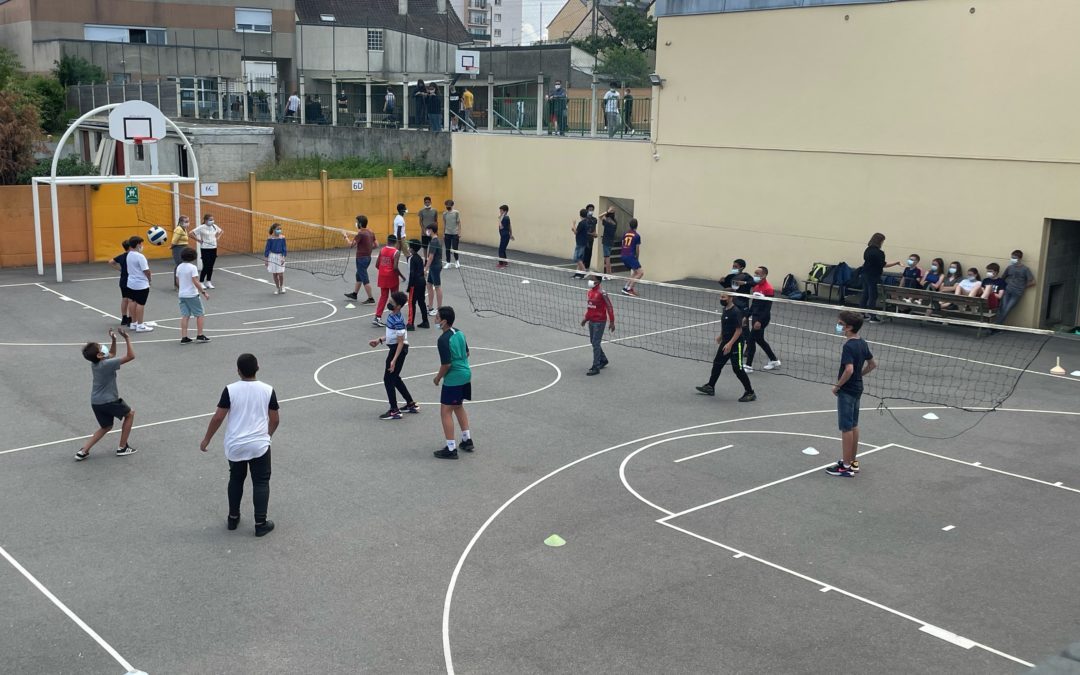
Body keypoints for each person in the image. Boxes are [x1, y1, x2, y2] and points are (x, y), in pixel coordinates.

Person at [199, 353, 279, 537]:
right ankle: (260, 523)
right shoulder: (267, 390)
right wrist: (267, 436)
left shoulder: (230, 390)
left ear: (238, 371)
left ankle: (233, 518)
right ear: (257, 367)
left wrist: (206, 439)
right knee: (261, 481)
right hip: (259, 444)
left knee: (236, 479)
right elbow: (275, 419)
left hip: (236, 445)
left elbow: (218, 417)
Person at [826, 311, 877, 477]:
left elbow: (849, 369)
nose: (839, 326)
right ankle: (852, 461)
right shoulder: (861, 342)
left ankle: (846, 466)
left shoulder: (848, 346)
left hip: (847, 390)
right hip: (858, 388)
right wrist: (859, 376)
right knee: (854, 424)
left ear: (849, 327)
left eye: (841, 323)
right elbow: (872, 364)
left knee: (846, 427)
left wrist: (837, 386)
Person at [76, 328, 137, 460]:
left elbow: (112, 353)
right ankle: (122, 447)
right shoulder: (106, 364)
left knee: (106, 426)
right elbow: (131, 356)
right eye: (100, 347)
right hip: (109, 401)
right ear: (99, 355)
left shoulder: (95, 364)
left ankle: (83, 451)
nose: (102, 347)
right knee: (130, 414)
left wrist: (114, 340)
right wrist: (127, 338)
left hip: (96, 402)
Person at [695, 291, 756, 402]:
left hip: (736, 343)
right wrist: (721, 336)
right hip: (726, 341)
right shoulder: (725, 310)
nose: (721, 298)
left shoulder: (735, 312)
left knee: (737, 369)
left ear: (730, 298)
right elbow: (726, 326)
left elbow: (738, 330)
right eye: (721, 296)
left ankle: (750, 392)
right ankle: (710, 386)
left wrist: (730, 344)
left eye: (723, 297)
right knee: (717, 363)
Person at [368, 291, 420, 420]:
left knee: (388, 379)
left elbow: (401, 342)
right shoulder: (392, 315)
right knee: (395, 377)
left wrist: (393, 360)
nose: (389, 304)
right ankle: (410, 404)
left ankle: (394, 410)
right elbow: (392, 335)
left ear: (398, 306)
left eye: (391, 303)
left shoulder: (398, 320)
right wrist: (379, 340)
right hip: (395, 348)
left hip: (398, 350)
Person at [432, 306, 474, 459]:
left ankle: (451, 448)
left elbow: (446, 365)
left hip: (454, 378)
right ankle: (466, 439)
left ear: (444, 322)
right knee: (458, 406)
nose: (435, 320)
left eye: (437, 318)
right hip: (466, 374)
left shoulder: (443, 340)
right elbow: (467, 352)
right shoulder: (459, 333)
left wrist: (438, 378)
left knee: (445, 411)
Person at [744, 266, 781, 373]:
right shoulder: (756, 287)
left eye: (757, 274)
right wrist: (747, 316)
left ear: (764, 275)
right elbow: (754, 304)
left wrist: (759, 321)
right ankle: (774, 360)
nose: (755, 276)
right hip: (755, 317)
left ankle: (748, 366)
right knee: (759, 339)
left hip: (762, 318)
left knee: (751, 340)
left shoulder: (768, 289)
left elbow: (767, 308)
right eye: (754, 273)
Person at [581, 274, 615, 376]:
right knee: (593, 341)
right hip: (592, 321)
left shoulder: (602, 293)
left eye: (592, 279)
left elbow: (609, 307)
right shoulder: (590, 292)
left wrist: (612, 322)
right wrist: (586, 319)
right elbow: (590, 308)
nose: (590, 280)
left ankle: (595, 367)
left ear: (598, 282)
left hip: (600, 322)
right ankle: (603, 360)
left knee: (595, 343)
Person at [176, 247, 210, 344]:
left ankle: (184, 337)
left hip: (182, 294)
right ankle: (200, 335)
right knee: (200, 314)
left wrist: (182, 289)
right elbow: (195, 281)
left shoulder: (179, 267)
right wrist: (203, 292)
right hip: (192, 295)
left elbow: (177, 280)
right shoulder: (192, 268)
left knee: (185, 315)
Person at [343, 214, 377, 303]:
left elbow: (351, 245)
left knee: (364, 278)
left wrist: (345, 237)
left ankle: (371, 299)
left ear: (360, 224)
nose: (356, 224)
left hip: (361, 259)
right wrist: (368, 249)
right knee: (359, 275)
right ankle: (354, 294)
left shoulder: (361, 233)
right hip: (367, 258)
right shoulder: (370, 232)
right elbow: (376, 245)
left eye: (357, 222)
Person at [996, 249, 1036, 325]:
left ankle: (995, 327)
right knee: (1002, 308)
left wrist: (1023, 286)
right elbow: (1003, 278)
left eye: (1014, 258)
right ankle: (996, 327)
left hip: (1017, 293)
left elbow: (1033, 282)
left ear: (1020, 259)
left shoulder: (1025, 269)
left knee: (1007, 309)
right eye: (1012, 257)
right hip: (1007, 291)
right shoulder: (1009, 267)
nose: (1012, 259)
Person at [374, 234, 405, 327]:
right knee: (395, 297)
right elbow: (395, 267)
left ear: (387, 241)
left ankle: (377, 317)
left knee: (383, 296)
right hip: (392, 276)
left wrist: (383, 270)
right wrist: (402, 276)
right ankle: (395, 317)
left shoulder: (382, 250)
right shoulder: (396, 252)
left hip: (382, 276)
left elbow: (377, 265)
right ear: (395, 242)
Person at [125, 235, 154, 333]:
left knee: (132, 302)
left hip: (131, 283)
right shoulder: (140, 256)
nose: (142, 246)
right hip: (141, 284)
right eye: (141, 244)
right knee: (141, 304)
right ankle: (140, 325)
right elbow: (146, 270)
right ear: (138, 244)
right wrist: (149, 279)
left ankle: (134, 323)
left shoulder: (129, 254)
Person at [190, 214, 223, 288]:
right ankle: (201, 282)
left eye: (212, 219)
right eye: (210, 220)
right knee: (206, 266)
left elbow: (221, 231)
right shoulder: (201, 227)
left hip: (214, 248)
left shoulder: (214, 226)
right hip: (205, 248)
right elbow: (190, 233)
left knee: (211, 266)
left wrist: (218, 237)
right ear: (205, 220)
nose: (212, 221)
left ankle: (208, 281)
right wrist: (198, 240)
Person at [405, 240, 430, 330]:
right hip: (422, 282)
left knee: (411, 303)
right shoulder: (419, 258)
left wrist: (409, 286)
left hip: (415, 283)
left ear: (411, 248)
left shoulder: (411, 258)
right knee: (421, 302)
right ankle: (425, 321)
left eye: (409, 246)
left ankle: (410, 323)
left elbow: (411, 273)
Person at [109, 239, 133, 327]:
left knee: (124, 299)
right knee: (131, 300)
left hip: (123, 280)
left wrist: (120, 269)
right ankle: (131, 319)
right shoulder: (133, 256)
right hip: (131, 280)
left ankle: (124, 318)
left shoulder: (122, 256)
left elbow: (111, 261)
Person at [620, 218, 644, 296]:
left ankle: (626, 287)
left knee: (635, 272)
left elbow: (623, 244)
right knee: (640, 273)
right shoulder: (637, 236)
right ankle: (630, 289)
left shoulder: (625, 234)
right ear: (637, 225)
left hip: (623, 254)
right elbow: (637, 249)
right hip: (630, 255)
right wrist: (637, 258)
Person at [264, 223, 287, 294]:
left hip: (280, 256)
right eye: (278, 229)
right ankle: (278, 288)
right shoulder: (270, 239)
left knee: (280, 274)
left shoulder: (282, 238)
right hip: (272, 257)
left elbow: (284, 249)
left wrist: (283, 257)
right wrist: (266, 259)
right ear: (274, 230)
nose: (279, 230)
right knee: (275, 274)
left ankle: (282, 286)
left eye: (280, 229)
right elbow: (267, 249)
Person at [425, 224, 443, 315]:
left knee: (437, 286)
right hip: (434, 266)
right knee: (429, 285)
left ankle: (439, 309)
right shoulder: (434, 240)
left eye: (427, 229)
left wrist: (425, 269)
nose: (426, 231)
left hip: (435, 266)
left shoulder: (434, 242)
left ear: (431, 230)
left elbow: (431, 257)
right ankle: (430, 307)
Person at [571, 208, 593, 278]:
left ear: (580, 215)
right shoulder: (586, 222)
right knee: (580, 258)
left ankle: (584, 271)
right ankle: (577, 273)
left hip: (580, 242)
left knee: (577, 258)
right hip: (583, 242)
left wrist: (573, 225)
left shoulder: (581, 223)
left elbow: (576, 232)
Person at [170, 215, 190, 290]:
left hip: (184, 247)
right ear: (181, 222)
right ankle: (177, 284)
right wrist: (171, 246)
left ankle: (182, 283)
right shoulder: (179, 229)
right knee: (179, 265)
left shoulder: (184, 229)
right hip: (178, 248)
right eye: (186, 221)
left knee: (183, 265)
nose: (188, 223)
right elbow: (174, 240)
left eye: (188, 221)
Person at [442, 199, 462, 268]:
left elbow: (459, 223)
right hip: (447, 233)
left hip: (455, 234)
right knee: (447, 248)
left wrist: (459, 233)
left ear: (452, 205)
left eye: (449, 205)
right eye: (446, 205)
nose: (447, 206)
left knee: (455, 248)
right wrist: (443, 233)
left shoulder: (456, 213)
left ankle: (457, 261)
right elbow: (444, 223)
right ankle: (448, 262)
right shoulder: (444, 214)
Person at [600, 207, 618, 275]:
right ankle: (609, 273)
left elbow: (600, 216)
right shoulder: (615, 222)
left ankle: (608, 274)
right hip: (611, 241)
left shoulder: (607, 222)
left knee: (607, 258)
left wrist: (607, 211)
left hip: (606, 241)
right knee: (608, 258)